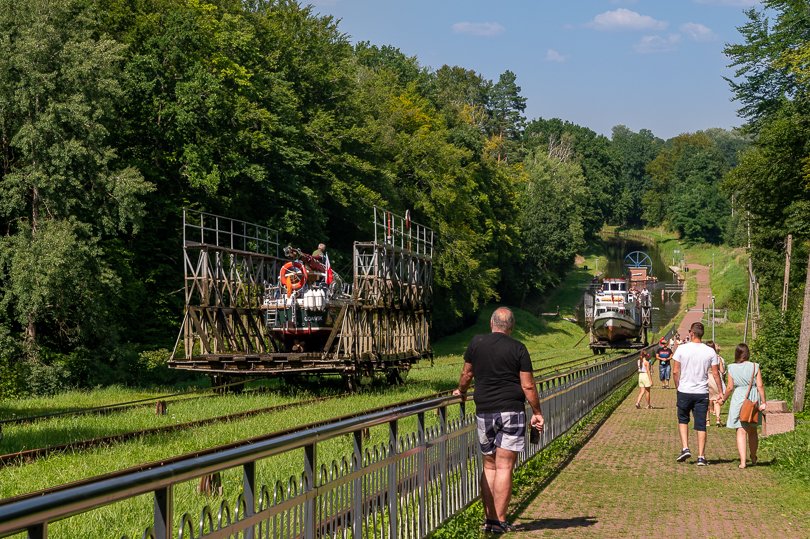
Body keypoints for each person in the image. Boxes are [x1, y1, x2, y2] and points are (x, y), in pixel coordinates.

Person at [453, 307, 545, 533]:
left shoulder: (476, 343)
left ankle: (489, 519)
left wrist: (461, 391)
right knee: (505, 466)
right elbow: (528, 385)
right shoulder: (519, 348)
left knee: (489, 466)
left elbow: (466, 374)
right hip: (512, 411)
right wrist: (537, 412)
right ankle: (499, 521)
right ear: (511, 327)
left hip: (484, 411)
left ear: (491, 324)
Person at [672, 322, 723, 466]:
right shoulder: (710, 352)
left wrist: (678, 386)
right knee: (701, 424)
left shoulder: (681, 349)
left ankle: (685, 447)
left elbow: (675, 371)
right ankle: (701, 456)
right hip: (701, 392)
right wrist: (720, 391)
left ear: (691, 333)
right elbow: (715, 373)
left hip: (684, 390)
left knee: (683, 419)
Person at [719, 343, 767, 468]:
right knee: (752, 430)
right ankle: (754, 456)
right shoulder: (755, 366)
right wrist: (764, 402)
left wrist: (723, 399)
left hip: (739, 398)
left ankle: (743, 462)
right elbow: (760, 386)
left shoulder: (732, 368)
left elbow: (729, 387)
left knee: (740, 431)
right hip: (753, 398)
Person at [705, 341, 726, 427]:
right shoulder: (718, 358)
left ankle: (707, 421)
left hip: (706, 379)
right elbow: (722, 371)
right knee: (717, 400)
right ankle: (717, 418)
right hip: (715, 379)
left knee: (706, 401)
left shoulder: (704, 357)